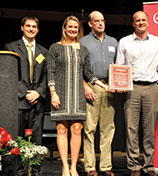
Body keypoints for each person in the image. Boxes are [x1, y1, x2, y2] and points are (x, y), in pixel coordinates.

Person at [47, 15, 109, 176]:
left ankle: (74, 166)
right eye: (70, 27)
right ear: (65, 28)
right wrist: (53, 93)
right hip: (60, 93)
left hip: (77, 95)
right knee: (61, 130)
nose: (73, 30)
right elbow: (50, 72)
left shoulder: (83, 49)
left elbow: (87, 73)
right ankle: (64, 167)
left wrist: (102, 84)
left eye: (76, 27)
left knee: (76, 129)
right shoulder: (55, 47)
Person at [116, 11, 158, 176]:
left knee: (149, 128)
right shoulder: (125, 42)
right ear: (133, 23)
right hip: (132, 88)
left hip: (151, 88)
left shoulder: (157, 42)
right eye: (138, 20)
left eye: (143, 20)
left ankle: (149, 165)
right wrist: (119, 83)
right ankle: (134, 166)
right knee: (131, 128)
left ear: (148, 22)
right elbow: (120, 66)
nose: (141, 22)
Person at [5, 16, 48, 176]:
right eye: (28, 26)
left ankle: (35, 170)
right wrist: (25, 93)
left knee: (36, 138)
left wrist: (38, 92)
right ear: (22, 28)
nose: (31, 29)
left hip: (38, 101)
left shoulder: (44, 52)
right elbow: (10, 75)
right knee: (17, 137)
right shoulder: (11, 47)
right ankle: (18, 171)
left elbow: (46, 77)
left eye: (34, 27)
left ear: (37, 29)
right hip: (19, 100)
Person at [79, 11, 117, 176]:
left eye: (102, 20)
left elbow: (119, 65)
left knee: (108, 128)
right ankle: (90, 167)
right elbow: (78, 68)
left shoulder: (113, 41)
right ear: (90, 24)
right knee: (89, 128)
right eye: (97, 21)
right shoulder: (83, 42)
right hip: (92, 87)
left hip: (109, 87)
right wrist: (85, 86)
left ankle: (106, 166)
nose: (100, 23)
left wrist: (117, 83)